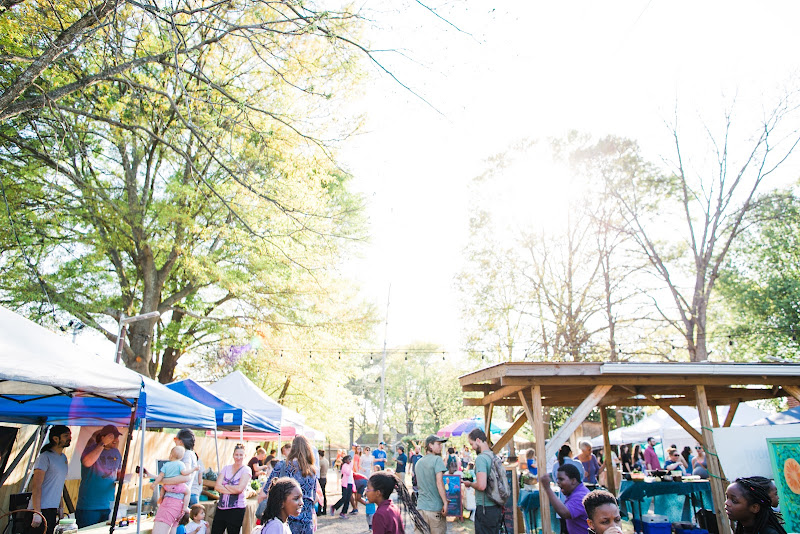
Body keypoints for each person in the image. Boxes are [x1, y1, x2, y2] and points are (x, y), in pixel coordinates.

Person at [261, 436, 318, 534]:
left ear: (293, 448)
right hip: (307, 522)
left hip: (287, 519)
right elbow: (314, 498)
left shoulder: (282, 465)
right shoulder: (312, 471)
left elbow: (266, 491)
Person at [75, 425, 123, 528]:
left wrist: (122, 479)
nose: (116, 440)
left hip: (108, 504)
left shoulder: (116, 453)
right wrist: (102, 444)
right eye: (112, 437)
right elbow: (87, 462)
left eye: (117, 437)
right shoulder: (91, 449)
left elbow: (118, 473)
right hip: (89, 506)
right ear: (103, 437)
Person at [29, 425, 72, 534]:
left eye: (70, 435)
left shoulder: (63, 458)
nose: (69, 438)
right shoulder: (45, 457)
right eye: (66, 436)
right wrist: (37, 512)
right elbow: (36, 485)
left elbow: (59, 485)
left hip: (53, 509)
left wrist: (61, 509)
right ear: (55, 438)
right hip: (40, 509)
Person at [153, 445, 200, 534]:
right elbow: (185, 474)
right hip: (179, 503)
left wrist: (155, 483)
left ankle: (162, 498)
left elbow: (162, 477)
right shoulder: (181, 464)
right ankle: (185, 506)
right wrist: (194, 469)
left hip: (171, 500)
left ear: (171, 455)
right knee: (187, 492)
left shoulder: (167, 465)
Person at [463, 428, 500, 534]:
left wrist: (470, 484)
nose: (472, 447)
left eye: (472, 444)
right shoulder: (493, 456)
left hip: (485, 508)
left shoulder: (481, 459)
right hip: (495, 506)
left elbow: (481, 485)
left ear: (478, 440)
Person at [212, 444, 252, 534]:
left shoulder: (246, 470)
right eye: (236, 455)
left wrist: (225, 486)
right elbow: (217, 486)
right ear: (233, 455)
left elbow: (239, 489)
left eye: (241, 455)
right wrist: (232, 489)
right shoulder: (226, 468)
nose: (238, 457)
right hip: (221, 508)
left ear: (245, 456)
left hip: (236, 508)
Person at [539, 464, 590, 534]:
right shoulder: (576, 492)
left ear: (573, 481)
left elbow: (565, 513)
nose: (558, 482)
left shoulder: (581, 496)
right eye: (557, 479)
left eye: (561, 479)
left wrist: (547, 488)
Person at [414, 435, 448, 534]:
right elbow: (439, 482)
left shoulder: (419, 462)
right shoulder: (437, 460)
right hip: (435, 509)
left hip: (420, 508)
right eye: (438, 444)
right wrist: (445, 502)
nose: (440, 447)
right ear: (430, 445)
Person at [175, 429, 203, 506]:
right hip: (190, 493)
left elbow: (185, 475)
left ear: (181, 441)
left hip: (184, 495)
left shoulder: (187, 454)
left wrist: (166, 480)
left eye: (175, 439)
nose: (175, 442)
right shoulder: (191, 454)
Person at [318, 450, 329, 515]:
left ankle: (319, 510)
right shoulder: (326, 461)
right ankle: (324, 509)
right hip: (324, 478)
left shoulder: (320, 462)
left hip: (321, 478)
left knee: (320, 494)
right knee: (323, 494)